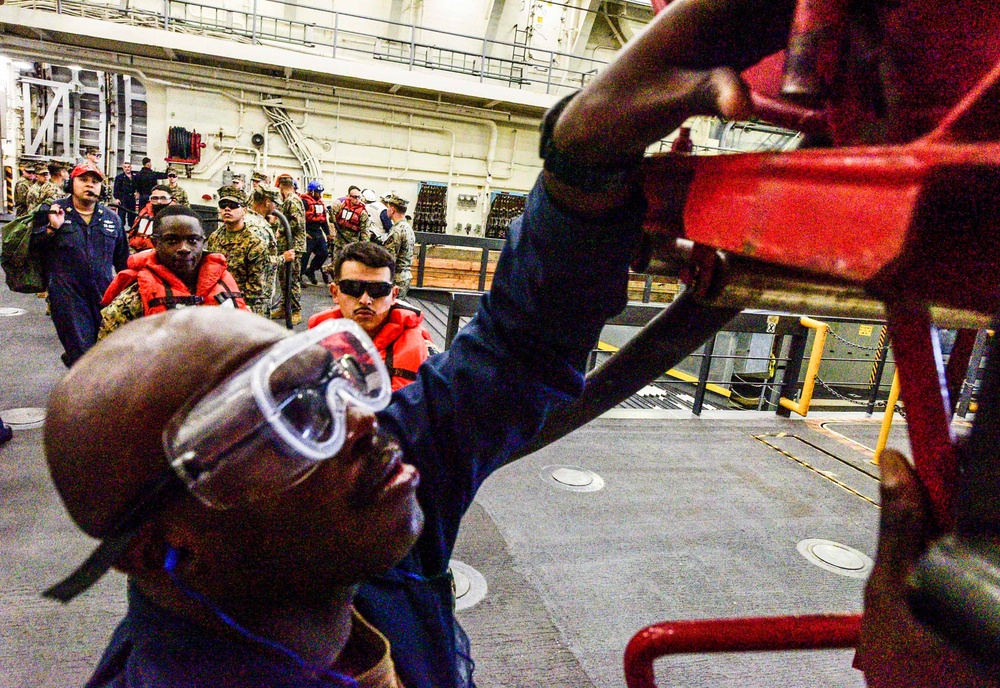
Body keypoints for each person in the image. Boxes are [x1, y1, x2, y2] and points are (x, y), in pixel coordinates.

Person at [39, 1, 976, 685]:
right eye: (283, 424)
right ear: (166, 550)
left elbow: (510, 356)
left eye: (325, 380)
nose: (364, 426)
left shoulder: (344, 540)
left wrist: (577, 162)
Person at [99, 206, 248, 339]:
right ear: (156, 243)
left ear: (203, 241)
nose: (184, 248)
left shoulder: (226, 285)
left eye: (193, 240)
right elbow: (109, 359)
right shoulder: (133, 301)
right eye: (172, 241)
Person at [31, 163, 127, 366]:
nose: (89, 185)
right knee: (83, 353)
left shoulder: (112, 219)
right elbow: (31, 247)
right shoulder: (51, 211)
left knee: (103, 350)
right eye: (83, 180)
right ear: (70, 184)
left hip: (103, 295)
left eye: (95, 182)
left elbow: (123, 262)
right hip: (67, 295)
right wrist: (51, 228)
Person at [309, 241, 433, 391]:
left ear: (394, 295)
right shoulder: (315, 343)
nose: (365, 300)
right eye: (352, 287)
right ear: (335, 293)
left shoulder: (426, 354)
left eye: (378, 289)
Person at [204, 186, 272, 318]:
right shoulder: (214, 237)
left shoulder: (254, 242)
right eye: (223, 205)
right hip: (220, 302)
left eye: (233, 205)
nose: (227, 209)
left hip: (246, 306)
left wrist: (237, 306)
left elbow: (256, 287)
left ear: (244, 211)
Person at [271, 174, 306, 325]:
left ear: (281, 187)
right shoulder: (288, 200)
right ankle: (284, 308)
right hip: (285, 246)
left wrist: (281, 229)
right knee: (284, 280)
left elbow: (296, 223)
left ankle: (296, 311)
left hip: (294, 246)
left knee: (292, 280)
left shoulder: (293, 201)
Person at [375, 193, 415, 299]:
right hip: (404, 276)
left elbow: (390, 259)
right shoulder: (407, 227)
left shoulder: (397, 230)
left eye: (388, 207)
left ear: (392, 209)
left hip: (396, 278)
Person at [300, 180, 330, 286]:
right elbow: (299, 219)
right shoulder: (304, 202)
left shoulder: (320, 204)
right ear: (311, 192)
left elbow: (323, 220)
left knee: (324, 253)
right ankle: (298, 277)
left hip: (317, 231)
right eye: (318, 192)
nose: (320, 195)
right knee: (304, 256)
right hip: (307, 231)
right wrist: (303, 232)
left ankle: (311, 270)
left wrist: (328, 234)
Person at [129, 184, 176, 252]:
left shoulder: (177, 216)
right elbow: (132, 234)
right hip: (140, 252)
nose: (159, 202)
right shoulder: (144, 213)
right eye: (155, 198)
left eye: (163, 198)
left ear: (171, 199)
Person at [328, 185, 370, 260]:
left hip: (351, 244)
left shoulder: (362, 212)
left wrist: (365, 248)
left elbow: (365, 232)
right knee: (336, 263)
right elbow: (332, 220)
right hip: (338, 242)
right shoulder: (341, 206)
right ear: (349, 196)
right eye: (354, 197)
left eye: (358, 197)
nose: (357, 199)